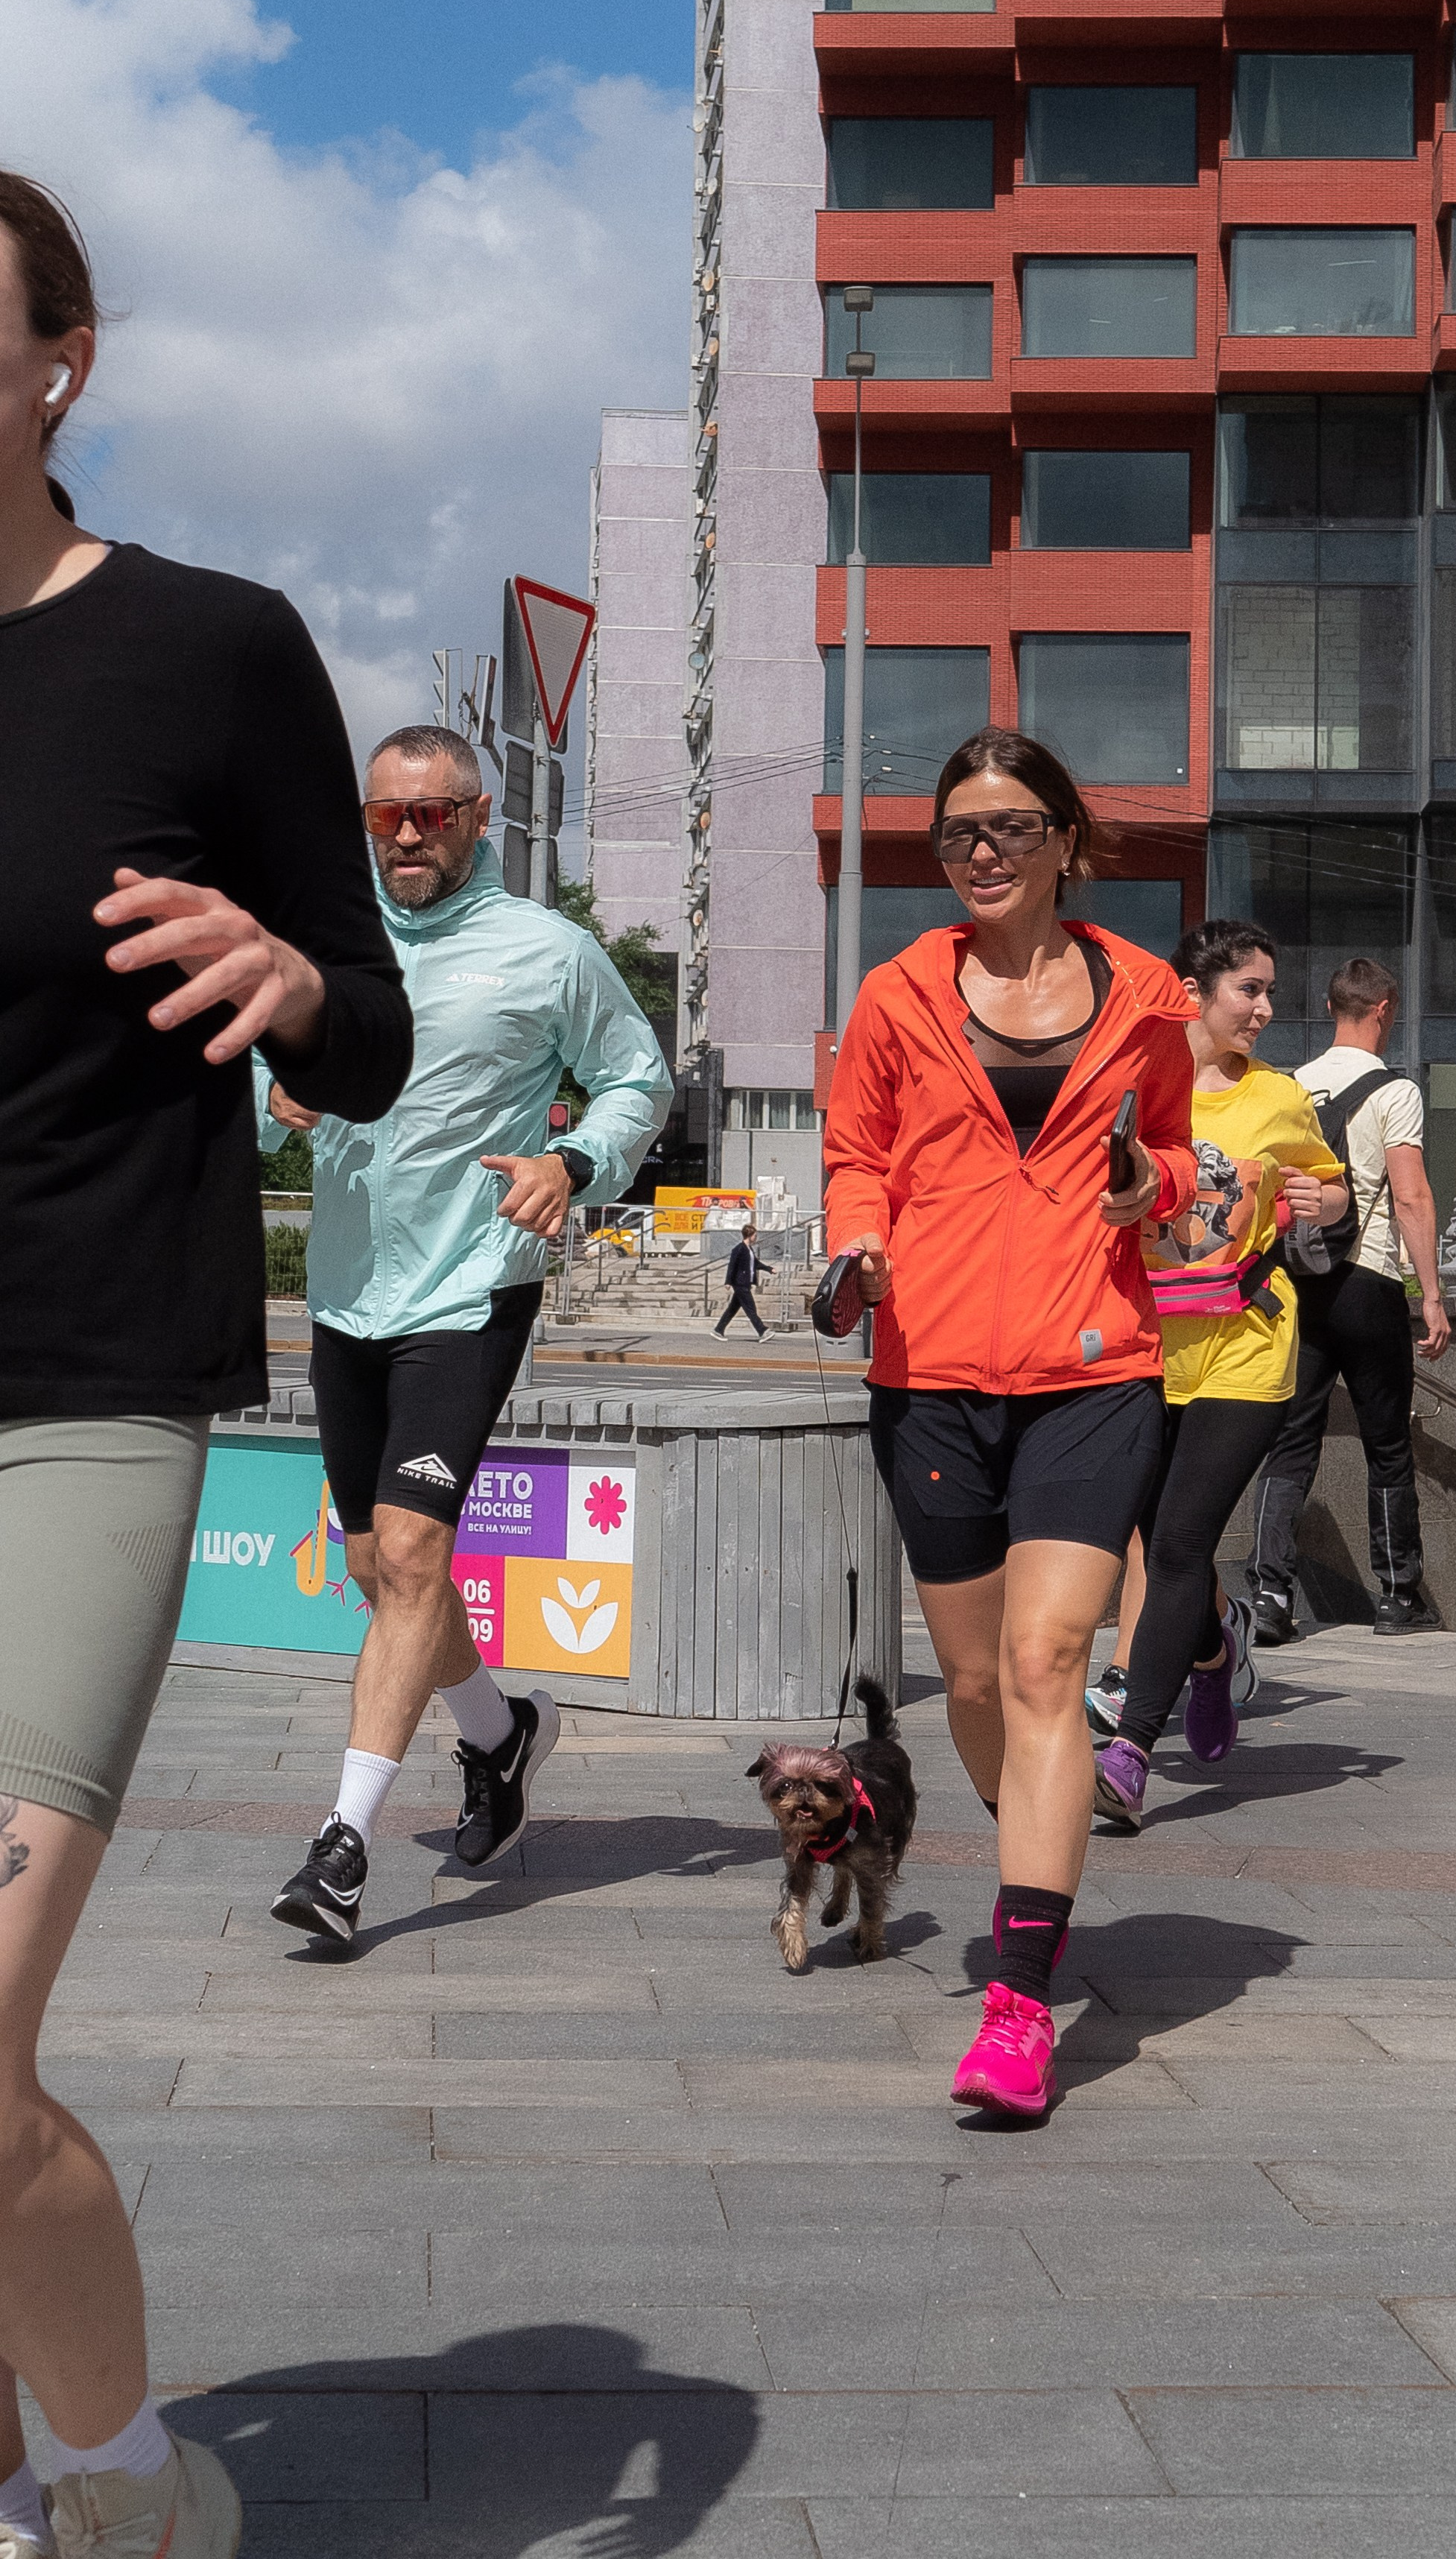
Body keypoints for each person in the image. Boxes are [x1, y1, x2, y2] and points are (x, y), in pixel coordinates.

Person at [0, 173, 412, 2559]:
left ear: (62, 361)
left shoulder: (214, 648)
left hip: (74, 1380)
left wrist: (288, 983)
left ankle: (134, 2496)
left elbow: (363, 1030)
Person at [823, 727, 1198, 2120]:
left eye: (1006, 829)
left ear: (1065, 840)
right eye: (957, 835)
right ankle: (1031, 1854)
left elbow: (1171, 1146)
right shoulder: (897, 995)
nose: (979, 855)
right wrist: (856, 1248)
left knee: (1049, 1666)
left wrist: (1142, 1190)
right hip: (928, 1370)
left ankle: (1022, 1998)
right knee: (977, 1687)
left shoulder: (1146, 995)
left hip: (1095, 1363)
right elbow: (858, 1154)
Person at [265, 727, 672, 1952]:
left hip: (473, 1290)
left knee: (415, 1551)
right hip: (345, 1295)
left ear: (478, 813)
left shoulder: (549, 952)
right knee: (379, 1575)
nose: (405, 837)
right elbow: (262, 1089)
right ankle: (502, 1734)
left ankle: (342, 1851)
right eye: (386, 815)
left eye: (431, 815)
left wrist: (570, 1161)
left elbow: (636, 1080)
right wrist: (274, 1097)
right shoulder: (328, 947)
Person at [1091, 922, 1346, 1832]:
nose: (1267, 1009)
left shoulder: (1279, 1097)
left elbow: (1332, 1183)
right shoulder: (1131, 1085)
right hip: (1144, 1345)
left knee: (1176, 1546)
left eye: (1270, 990)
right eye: (1250, 989)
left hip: (1246, 1342)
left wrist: (1327, 1198)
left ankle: (1129, 1752)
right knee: (1157, 1540)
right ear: (1195, 992)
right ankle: (1212, 1647)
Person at [1238, 955, 1450, 1645]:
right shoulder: (1395, 1091)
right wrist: (1433, 1296)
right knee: (1386, 1442)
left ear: (1333, 1008)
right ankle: (1396, 1595)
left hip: (1295, 1283)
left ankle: (1269, 1594)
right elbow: (1412, 1195)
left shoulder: (1291, 1085)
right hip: (1370, 1278)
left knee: (1290, 1439)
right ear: (1384, 1008)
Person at [715, 1222, 767, 1338]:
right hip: (740, 1284)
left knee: (732, 1309)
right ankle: (763, 1331)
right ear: (749, 1235)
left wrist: (769, 1269)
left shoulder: (749, 1250)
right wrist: (728, 1281)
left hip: (746, 1284)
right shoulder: (738, 1249)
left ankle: (719, 1330)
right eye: (755, 1235)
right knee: (750, 1309)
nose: (756, 1238)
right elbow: (732, 1265)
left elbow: (756, 1264)